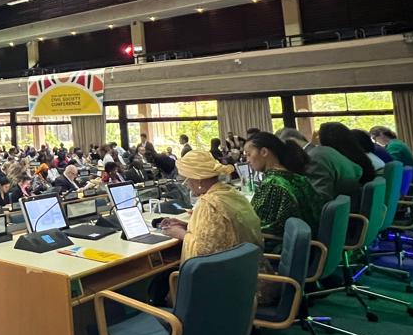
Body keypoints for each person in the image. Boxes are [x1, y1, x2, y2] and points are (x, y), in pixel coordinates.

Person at [150, 150, 264, 302]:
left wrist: (180, 234)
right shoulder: (230, 193)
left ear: (198, 180)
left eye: (187, 179)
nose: (186, 185)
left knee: (159, 285)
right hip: (249, 275)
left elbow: (205, 251)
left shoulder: (209, 204)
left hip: (226, 287)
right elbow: (222, 230)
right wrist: (188, 225)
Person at [243, 132, 323, 239]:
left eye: (249, 154)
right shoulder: (297, 178)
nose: (247, 161)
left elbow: (256, 226)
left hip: (282, 246)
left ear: (264, 152)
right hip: (308, 242)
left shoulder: (272, 184)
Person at [276, 128, 362, 206]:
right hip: (352, 206)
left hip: (345, 213)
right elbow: (358, 170)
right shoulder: (325, 150)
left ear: (292, 141)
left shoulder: (313, 159)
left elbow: (320, 201)